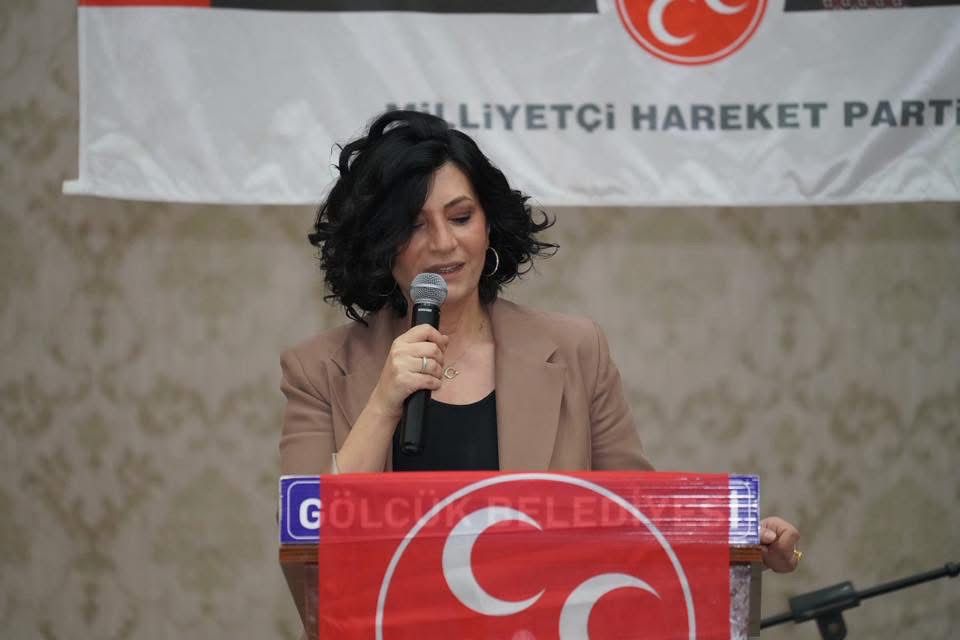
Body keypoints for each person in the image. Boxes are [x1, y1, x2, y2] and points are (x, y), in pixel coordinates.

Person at [279, 109, 800, 573]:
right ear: (378, 244)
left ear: (489, 224)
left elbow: (636, 517)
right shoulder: (317, 370)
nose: (443, 242)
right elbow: (309, 547)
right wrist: (382, 404)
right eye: (414, 226)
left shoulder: (575, 350)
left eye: (461, 217)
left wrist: (737, 541)